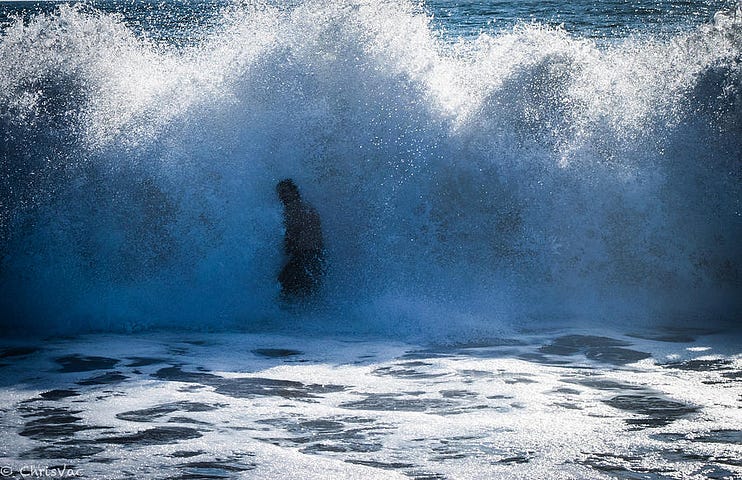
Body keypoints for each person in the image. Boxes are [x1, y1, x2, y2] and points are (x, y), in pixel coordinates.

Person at [276, 179, 325, 297]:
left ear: (294, 192)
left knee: (281, 288)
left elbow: (291, 237)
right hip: (319, 257)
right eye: (280, 192)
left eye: (285, 191)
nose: (282, 195)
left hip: (305, 257)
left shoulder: (292, 209)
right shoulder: (307, 206)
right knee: (308, 295)